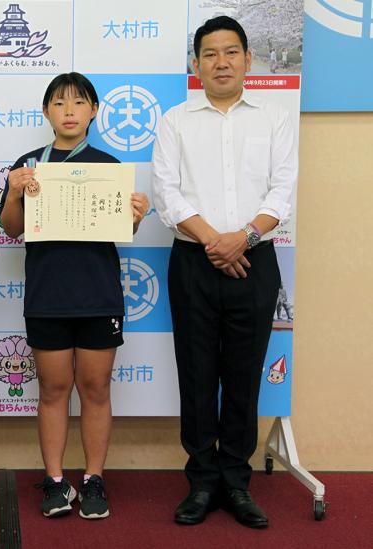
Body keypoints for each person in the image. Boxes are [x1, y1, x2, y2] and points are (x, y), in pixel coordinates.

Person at [152, 16, 296, 529]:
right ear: (195, 65)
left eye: (230, 52)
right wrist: (217, 241)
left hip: (256, 260)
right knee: (196, 374)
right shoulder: (175, 121)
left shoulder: (275, 118)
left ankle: (236, 482)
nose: (221, 62)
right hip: (193, 261)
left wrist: (245, 238)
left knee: (242, 376)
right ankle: (202, 482)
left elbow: (283, 191)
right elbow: (168, 195)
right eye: (209, 54)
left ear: (248, 59)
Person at [0, 72, 149, 520]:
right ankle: (55, 480)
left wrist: (135, 216)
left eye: (79, 103)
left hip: (98, 295)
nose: (69, 111)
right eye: (59, 103)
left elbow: (123, 230)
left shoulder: (108, 166)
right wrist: (12, 191)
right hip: (48, 296)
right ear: (46, 112)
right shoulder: (30, 165)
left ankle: (94, 478)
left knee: (96, 388)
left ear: (94, 112)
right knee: (53, 389)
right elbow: (11, 228)